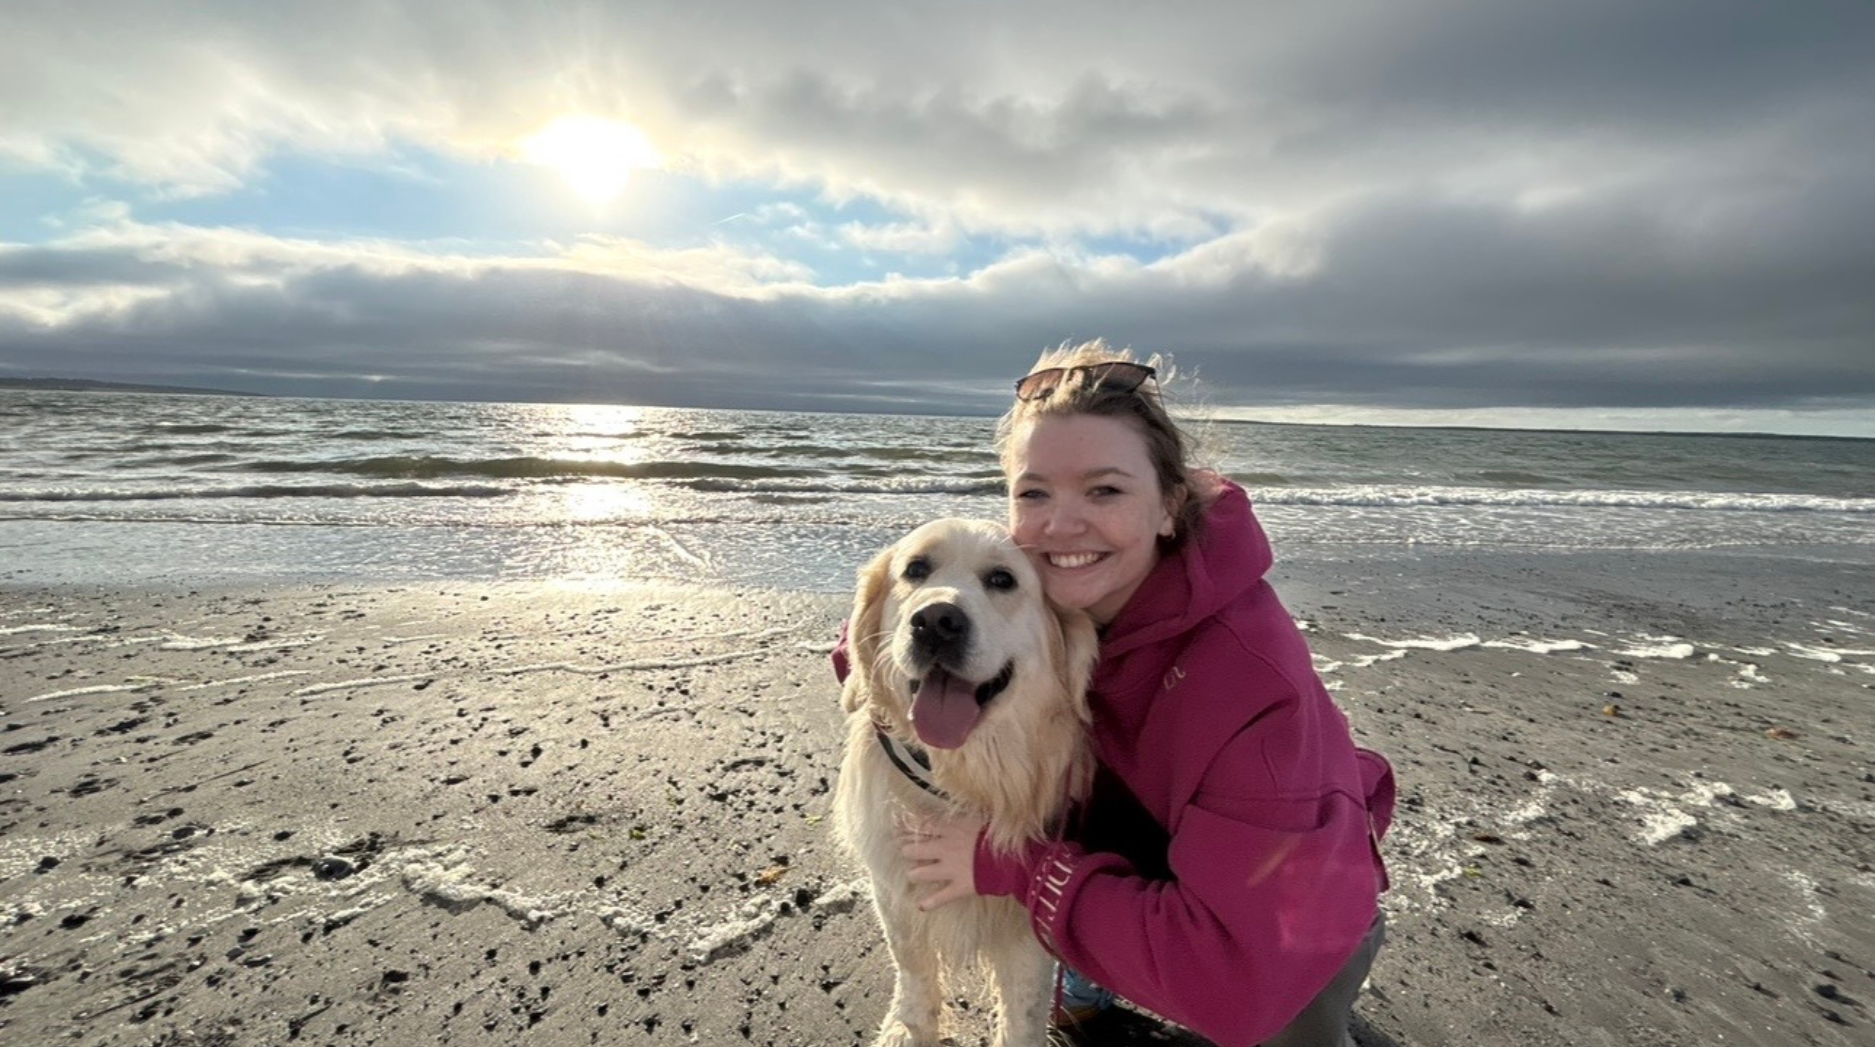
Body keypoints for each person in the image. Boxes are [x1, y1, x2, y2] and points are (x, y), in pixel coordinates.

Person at [887, 340, 1395, 1047]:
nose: (1060, 525)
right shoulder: (1042, 609)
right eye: (1034, 492)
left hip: (1289, 914)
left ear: (1168, 506)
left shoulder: (1247, 678)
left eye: (1105, 490)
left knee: (1272, 1020)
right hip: (1143, 853)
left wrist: (1013, 867)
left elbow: (1236, 983)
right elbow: (898, 625)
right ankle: (1093, 990)